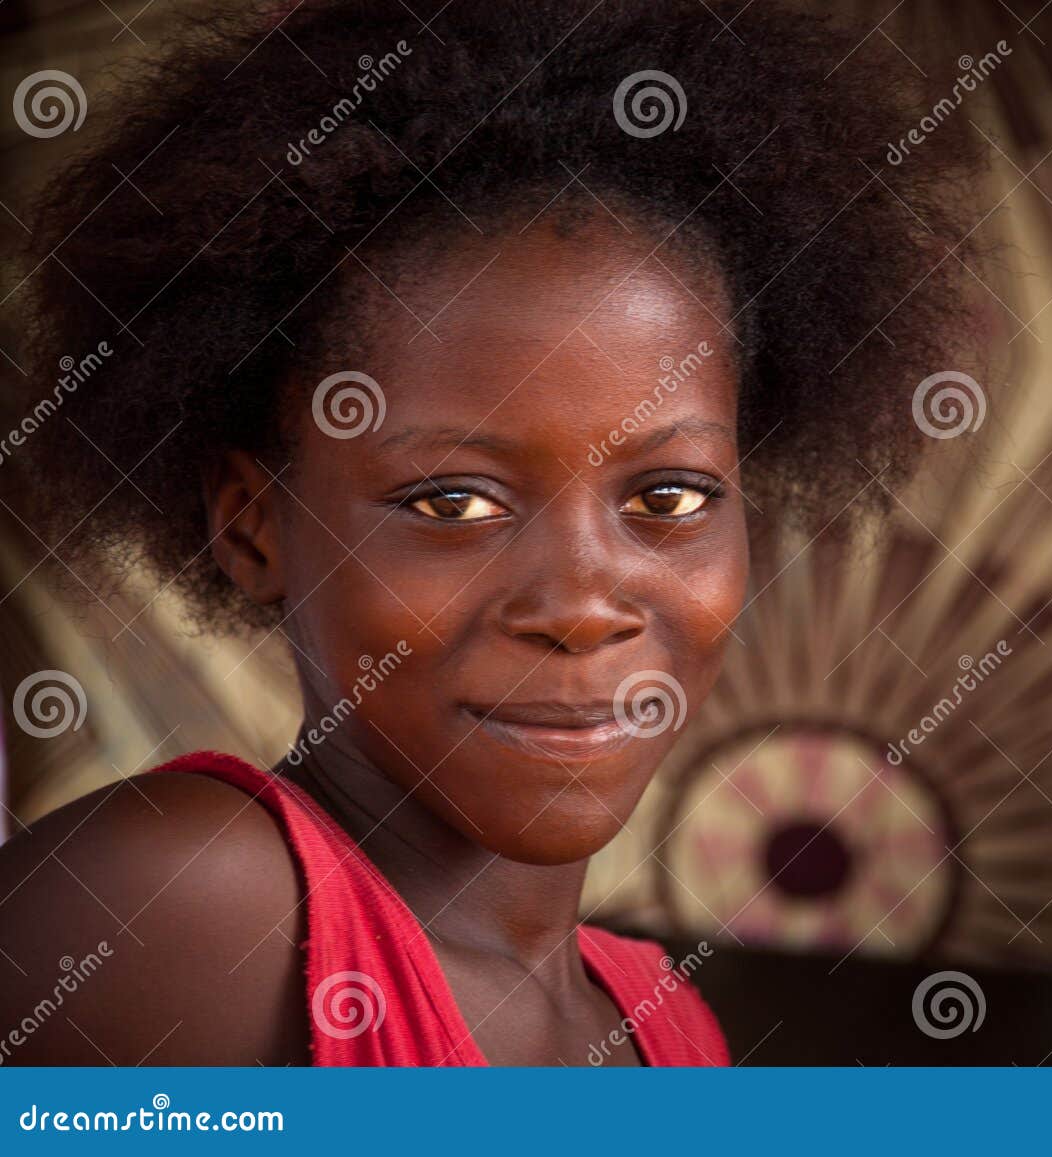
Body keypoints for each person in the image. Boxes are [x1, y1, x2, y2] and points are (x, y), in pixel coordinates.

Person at [0, 0, 981, 1064]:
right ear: (252, 527)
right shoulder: (177, 910)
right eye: (453, 502)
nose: (581, 605)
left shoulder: (670, 1029)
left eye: (669, 498)